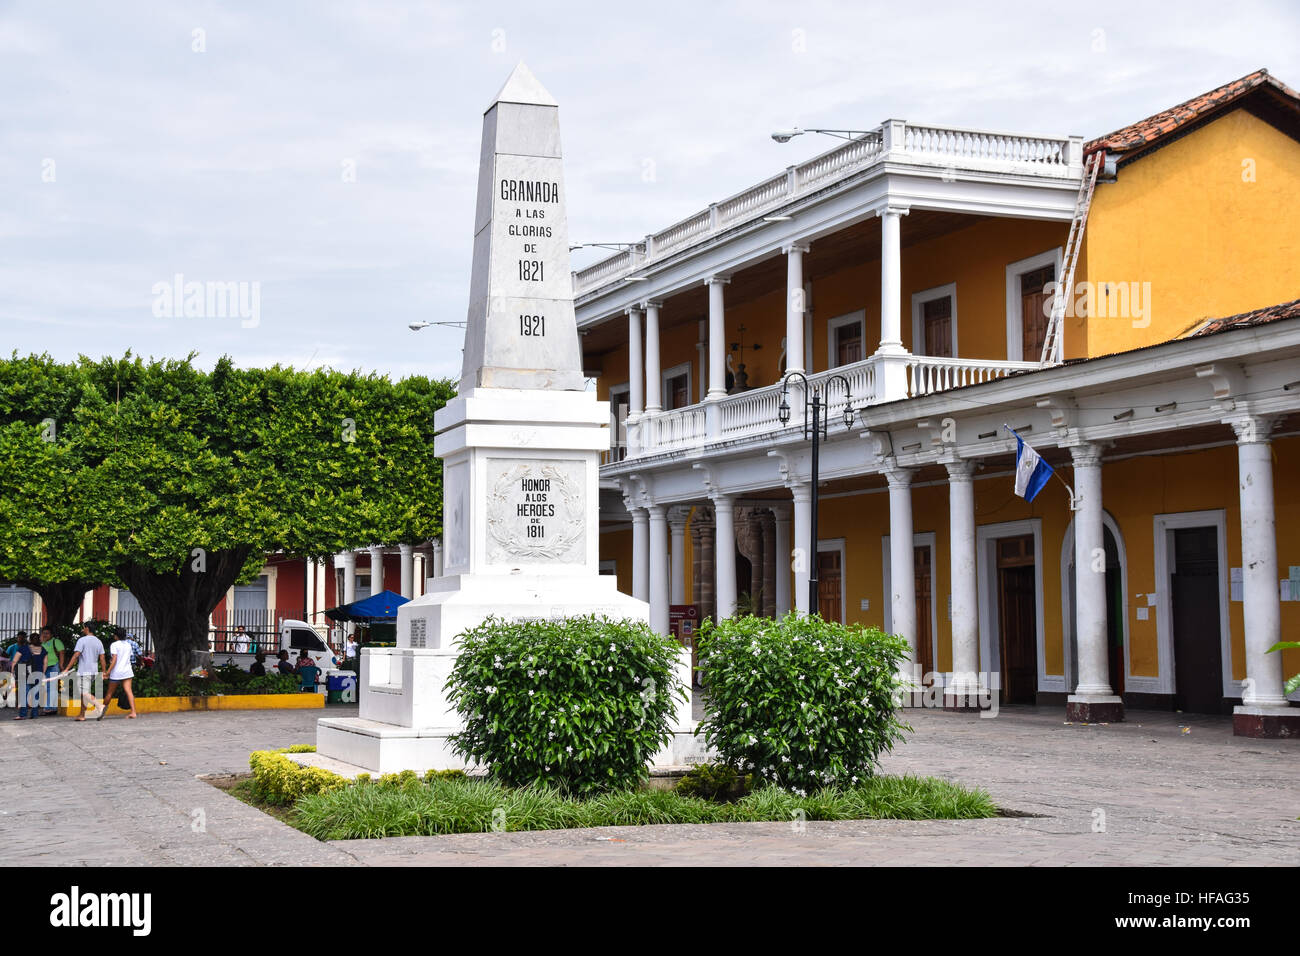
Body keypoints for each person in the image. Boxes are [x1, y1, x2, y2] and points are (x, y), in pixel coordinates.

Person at [61, 623, 106, 721]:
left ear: (87, 628)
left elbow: (76, 655)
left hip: (84, 671)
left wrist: (67, 669)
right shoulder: (98, 641)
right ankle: (82, 715)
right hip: (94, 671)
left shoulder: (82, 640)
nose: (82, 630)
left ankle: (99, 706)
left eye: (83, 628)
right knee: (84, 694)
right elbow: (102, 658)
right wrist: (104, 672)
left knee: (84, 693)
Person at [98, 630, 138, 720]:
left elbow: (115, 659)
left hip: (117, 672)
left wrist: (107, 672)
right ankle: (133, 712)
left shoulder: (114, 645)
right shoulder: (128, 645)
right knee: (129, 691)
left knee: (109, 693)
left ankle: (102, 713)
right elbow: (129, 657)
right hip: (127, 671)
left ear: (116, 636)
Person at [12, 632, 47, 720]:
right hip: (38, 673)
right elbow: (45, 663)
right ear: (39, 639)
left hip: (25, 673)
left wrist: (12, 671)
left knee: (24, 693)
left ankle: (22, 715)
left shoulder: (23, 648)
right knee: (35, 694)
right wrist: (43, 673)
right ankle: (34, 714)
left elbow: (15, 660)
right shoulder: (43, 649)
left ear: (29, 640)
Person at [38, 626, 66, 715]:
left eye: (47, 633)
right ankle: (51, 707)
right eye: (43, 633)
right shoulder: (42, 643)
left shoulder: (55, 641)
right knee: (48, 688)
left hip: (53, 666)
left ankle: (50, 708)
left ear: (51, 634)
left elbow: (61, 652)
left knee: (52, 687)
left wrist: (61, 665)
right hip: (44, 668)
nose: (45, 635)